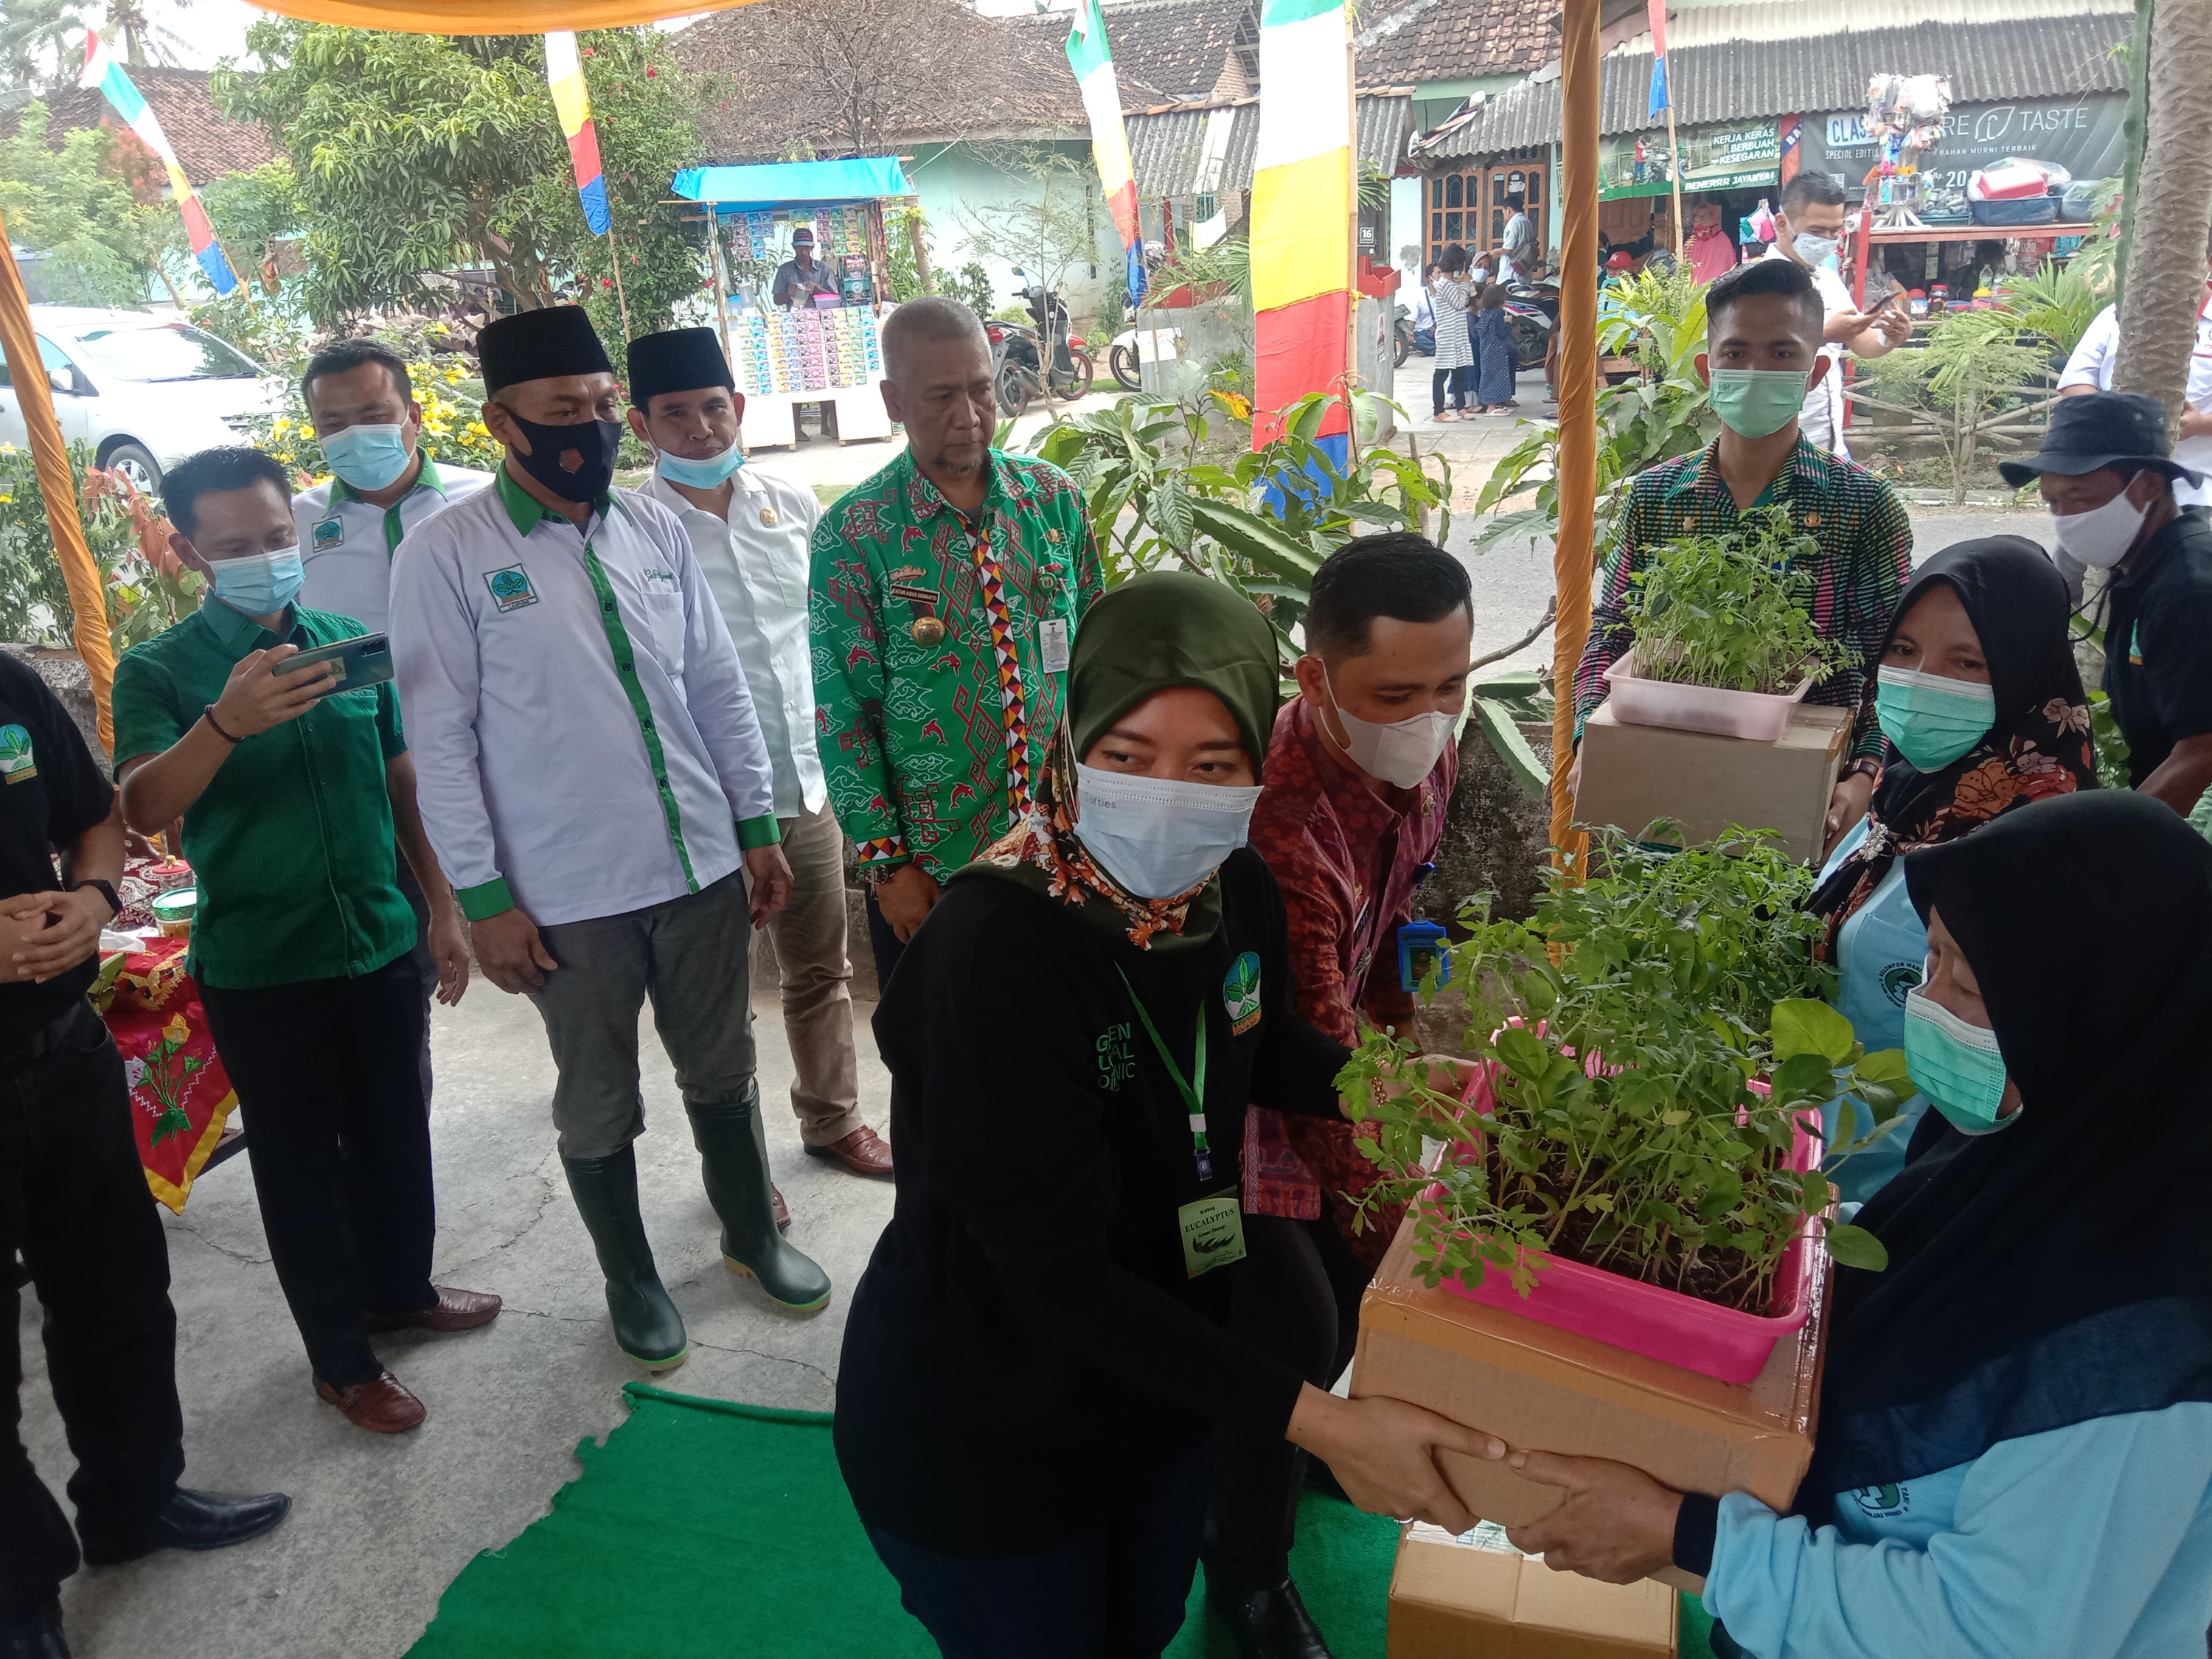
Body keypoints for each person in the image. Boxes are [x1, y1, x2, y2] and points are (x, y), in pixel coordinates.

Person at [833, 571, 1500, 1657]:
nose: (1169, 796)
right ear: (1073, 746)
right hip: (990, 1425)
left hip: (1153, 1378)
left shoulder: (1229, 883)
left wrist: (1402, 1086)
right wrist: (1329, 1422)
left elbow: (1261, 1035)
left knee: (1138, 1626)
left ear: (1255, 757)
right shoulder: (994, 952)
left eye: (1212, 763)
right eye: (1130, 758)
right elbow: (1053, 1276)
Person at [1481, 792, 2212, 1659]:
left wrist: (1692, 1540)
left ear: (2090, 1021)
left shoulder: (2138, 1358)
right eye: (1932, 959)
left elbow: (1996, 1637)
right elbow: (1918, 1263)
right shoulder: (2041, 1156)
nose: (1928, 1006)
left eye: (1969, 987)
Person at [389, 305, 824, 1374]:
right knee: (597, 1094)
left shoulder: (651, 526)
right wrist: (482, 900)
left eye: (595, 406)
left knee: (722, 1066)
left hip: (700, 866)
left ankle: (750, 1234)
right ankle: (629, 1276)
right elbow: (438, 742)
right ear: (501, 420)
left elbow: (717, 685)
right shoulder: (448, 554)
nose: (586, 427)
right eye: (558, 411)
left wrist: (755, 822)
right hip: (565, 893)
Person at [113, 447, 495, 1435]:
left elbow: (402, 781)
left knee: (396, 1129)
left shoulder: (348, 643)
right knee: (300, 1164)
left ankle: (400, 1289)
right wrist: (225, 725)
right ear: (190, 551)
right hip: (261, 961)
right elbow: (147, 807)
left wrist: (440, 909)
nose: (264, 557)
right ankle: (341, 1359)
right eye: (234, 545)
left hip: (378, 937)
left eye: (278, 537)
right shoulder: (160, 670)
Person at [2, 653, 290, 1659]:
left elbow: (94, 816)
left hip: (59, 1052)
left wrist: (89, 896)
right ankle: (17, 1596)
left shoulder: (8, 682)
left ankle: (134, 1499)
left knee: (117, 1291)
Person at [1220, 536, 1470, 1659]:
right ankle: (1245, 1574)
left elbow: (1401, 912)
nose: (1428, 718)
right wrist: (1404, 1226)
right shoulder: (1280, 828)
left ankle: (1314, 1446)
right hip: (1247, 1088)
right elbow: (1311, 1071)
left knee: (1340, 1299)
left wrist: (1409, 1026)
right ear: (1314, 677)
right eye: (1397, 694)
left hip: (1337, 1055)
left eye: (1452, 687)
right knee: (1296, 1320)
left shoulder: (1427, 753)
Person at [624, 326, 890, 1183]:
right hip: (702, 803)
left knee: (821, 969)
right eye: (676, 414)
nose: (699, 428)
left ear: (738, 408)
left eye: (712, 407)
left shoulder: (790, 504)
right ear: (642, 425)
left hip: (804, 785)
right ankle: (735, 1170)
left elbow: (822, 633)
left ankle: (833, 1120)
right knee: (714, 999)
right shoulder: (628, 528)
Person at [1571, 257, 1913, 852]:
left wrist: (1865, 772)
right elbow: (1611, 633)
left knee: (1780, 934)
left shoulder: (1862, 504)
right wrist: (1590, 736)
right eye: (1736, 353)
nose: (1757, 369)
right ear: (1709, 368)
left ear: (1815, 371)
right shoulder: (1655, 497)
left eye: (1782, 354)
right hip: (1658, 771)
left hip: (1806, 783)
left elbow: (1896, 659)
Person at [809, 296, 1100, 992]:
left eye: (980, 388)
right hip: (934, 873)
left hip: (1067, 853)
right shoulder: (856, 536)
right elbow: (843, 715)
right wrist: (886, 865)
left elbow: (1099, 658)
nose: (969, 416)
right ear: (894, 401)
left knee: (1069, 1051)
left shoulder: (1052, 500)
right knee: (942, 1070)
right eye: (941, 397)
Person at [1804, 538, 2096, 1203]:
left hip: (1904, 1198)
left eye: (1967, 662)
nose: (1921, 679)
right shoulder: (1910, 794)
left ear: (2027, 673)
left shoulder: (2035, 853)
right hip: (1821, 1161)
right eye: (1904, 651)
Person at [293, 336, 492, 1111]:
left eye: (373, 414)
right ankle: (398, 1128)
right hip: (380, 785)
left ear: (412, 415)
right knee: (407, 968)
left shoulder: (483, 503)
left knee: (555, 954)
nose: (356, 436)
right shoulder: (298, 527)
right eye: (333, 423)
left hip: (492, 767)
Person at [1997, 391, 2212, 821]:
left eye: (2081, 498)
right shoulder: (2143, 565)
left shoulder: (2189, 588)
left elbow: (2203, 751)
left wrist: (2112, 843)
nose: (2066, 517)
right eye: (2052, 502)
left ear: (2148, 486)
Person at [2056, 226, 2212, 519]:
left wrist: (2201, 424)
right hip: (2108, 483)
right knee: (2076, 561)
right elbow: (2075, 382)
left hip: (2195, 491)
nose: (2171, 269)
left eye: (2184, 260)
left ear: (2208, 264)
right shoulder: (2116, 315)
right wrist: (2112, 415)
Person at [1761, 172, 1910, 457]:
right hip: (1777, 451)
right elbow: (1757, 356)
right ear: (1782, 223)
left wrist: (1889, 337)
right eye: (1817, 231)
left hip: (1832, 446)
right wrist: (1827, 334)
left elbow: (1863, 345)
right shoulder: (1755, 284)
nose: (1828, 240)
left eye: (1835, 231)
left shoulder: (1828, 279)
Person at [1426, 247, 1474, 422]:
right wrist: (1465, 284)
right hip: (1448, 335)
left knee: (1460, 371)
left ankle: (1461, 406)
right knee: (1442, 373)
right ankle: (1438, 410)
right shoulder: (1445, 284)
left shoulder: (1453, 283)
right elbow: (1460, 302)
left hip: (1458, 334)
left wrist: (1463, 284)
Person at [1472, 282, 1517, 414]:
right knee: (1497, 378)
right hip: (1497, 351)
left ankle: (1489, 404)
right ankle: (1492, 407)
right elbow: (1501, 333)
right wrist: (1508, 324)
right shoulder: (1497, 314)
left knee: (1488, 376)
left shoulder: (1485, 313)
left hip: (1486, 350)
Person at [772, 226, 838, 311]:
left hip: (822, 318)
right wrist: (789, 294)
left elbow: (835, 298)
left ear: (812, 248)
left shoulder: (823, 268)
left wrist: (816, 288)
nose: (803, 252)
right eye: (799, 247)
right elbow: (776, 300)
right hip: (797, 319)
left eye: (806, 247)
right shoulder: (785, 270)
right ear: (794, 248)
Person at [1686, 203, 1736, 285]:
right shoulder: (1691, 240)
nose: (1702, 221)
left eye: (1707, 217)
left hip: (1714, 288)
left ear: (1714, 218)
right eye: (1698, 217)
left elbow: (1724, 268)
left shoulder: (1722, 239)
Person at [1498, 192, 1539, 285]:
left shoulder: (1513, 224)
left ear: (1508, 210)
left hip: (1511, 273)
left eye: (1503, 211)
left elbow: (1508, 249)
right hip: (1525, 269)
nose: (1503, 215)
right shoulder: (1528, 222)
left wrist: (1497, 252)